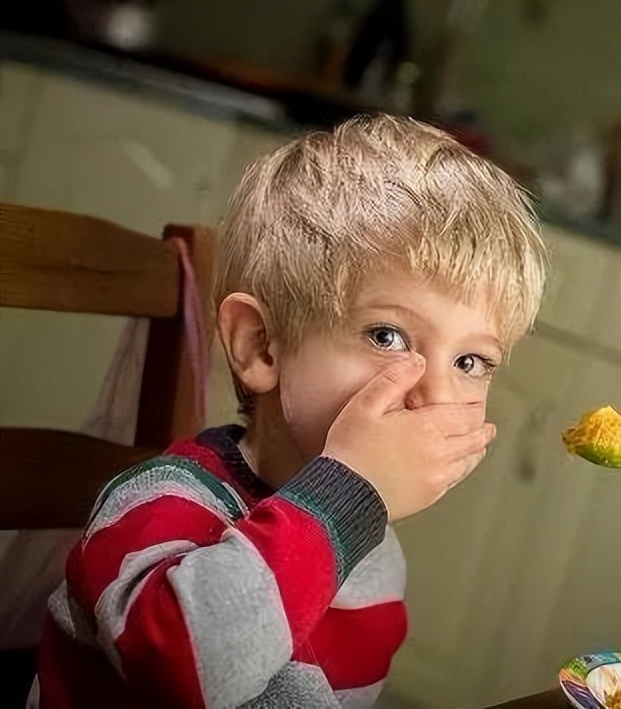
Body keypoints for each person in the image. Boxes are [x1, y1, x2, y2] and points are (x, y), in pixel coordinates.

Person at [34, 115, 548, 707]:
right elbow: (182, 671)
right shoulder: (162, 507)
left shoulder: (373, 550)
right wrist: (350, 493)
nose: (434, 393)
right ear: (261, 344)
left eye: (470, 362)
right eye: (387, 336)